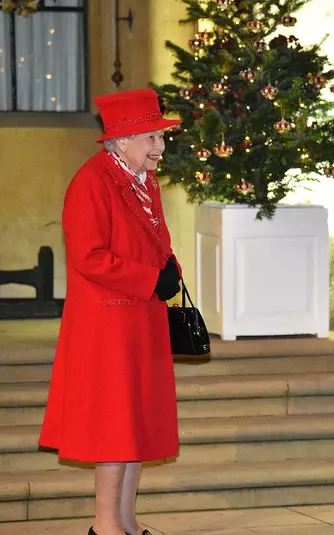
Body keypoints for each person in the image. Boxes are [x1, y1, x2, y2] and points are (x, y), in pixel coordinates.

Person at [39, 88, 183, 535]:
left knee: (137, 423)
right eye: (153, 138)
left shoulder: (143, 180)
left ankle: (126, 521)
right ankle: (104, 527)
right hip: (108, 324)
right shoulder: (92, 181)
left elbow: (152, 238)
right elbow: (89, 256)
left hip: (141, 318)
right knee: (115, 427)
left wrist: (169, 264)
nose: (160, 147)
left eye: (161, 137)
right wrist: (148, 279)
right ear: (122, 140)